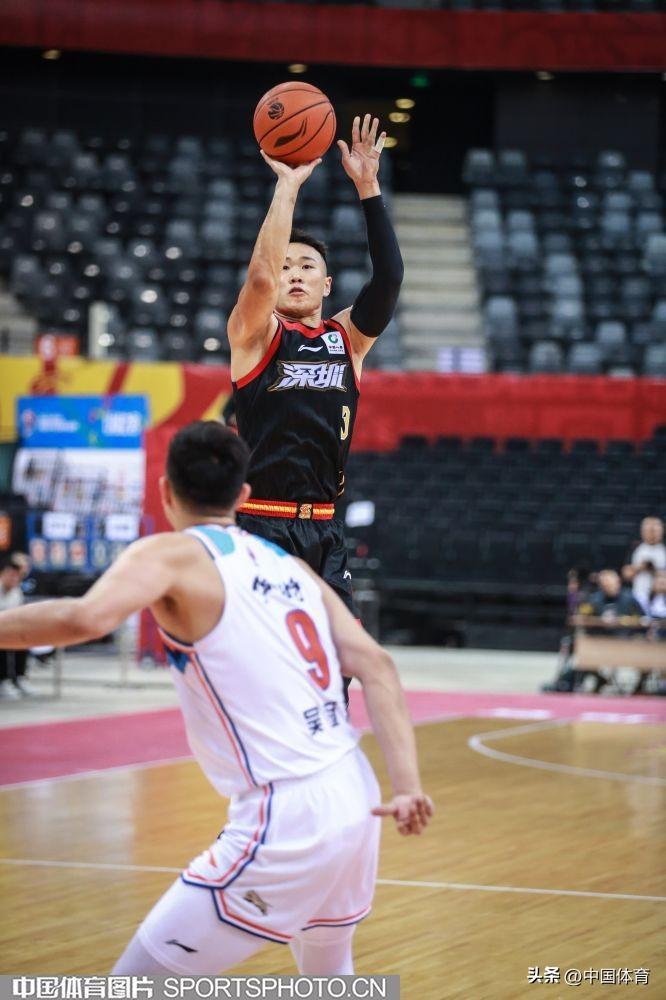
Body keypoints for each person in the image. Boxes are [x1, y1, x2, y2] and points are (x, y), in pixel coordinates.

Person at [0, 420, 433, 975]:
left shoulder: (172, 556)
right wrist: (408, 787)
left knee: (132, 985)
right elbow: (378, 665)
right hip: (355, 794)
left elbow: (84, 618)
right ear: (243, 494)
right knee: (330, 977)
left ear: (165, 490)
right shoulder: (292, 567)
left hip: (288, 812)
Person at [228, 114, 403, 622]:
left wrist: (368, 187)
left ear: (326, 285)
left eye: (307, 267)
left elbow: (389, 279)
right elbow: (261, 280)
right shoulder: (255, 335)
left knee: (341, 658)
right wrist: (287, 186)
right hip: (261, 524)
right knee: (266, 660)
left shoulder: (346, 338)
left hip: (325, 529)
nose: (294, 275)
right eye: (286, 266)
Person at [622, 517, 666, 613]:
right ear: (642, 531)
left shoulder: (664, 549)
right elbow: (626, 574)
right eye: (649, 530)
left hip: (662, 597)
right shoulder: (636, 548)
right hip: (639, 594)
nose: (652, 533)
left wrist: (656, 571)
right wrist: (641, 567)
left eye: (655, 530)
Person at [0, 555, 27, 699]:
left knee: (23, 641)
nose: (13, 579)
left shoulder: (17, 592)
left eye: (17, 576)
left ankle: (18, 678)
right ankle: (3, 681)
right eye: (10, 575)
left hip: (8, 628)